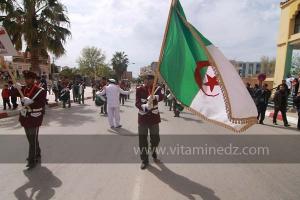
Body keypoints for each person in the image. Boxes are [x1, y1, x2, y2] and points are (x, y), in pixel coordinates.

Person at [18, 71, 47, 169]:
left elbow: (42, 104)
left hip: (35, 118)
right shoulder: (24, 89)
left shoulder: (40, 90)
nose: (26, 80)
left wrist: (31, 102)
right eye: (25, 78)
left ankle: (32, 160)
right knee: (31, 139)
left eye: (28, 78)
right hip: (25, 118)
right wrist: (14, 87)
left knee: (32, 140)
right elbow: (13, 93)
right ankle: (38, 154)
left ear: (33, 79)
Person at [135, 74, 163, 170]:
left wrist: (154, 97)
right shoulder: (139, 89)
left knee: (156, 139)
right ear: (145, 80)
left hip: (154, 118)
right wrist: (144, 107)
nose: (150, 81)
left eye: (152, 80)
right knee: (142, 140)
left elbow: (162, 96)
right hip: (143, 118)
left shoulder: (157, 88)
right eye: (148, 80)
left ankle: (153, 151)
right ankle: (144, 160)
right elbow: (137, 102)